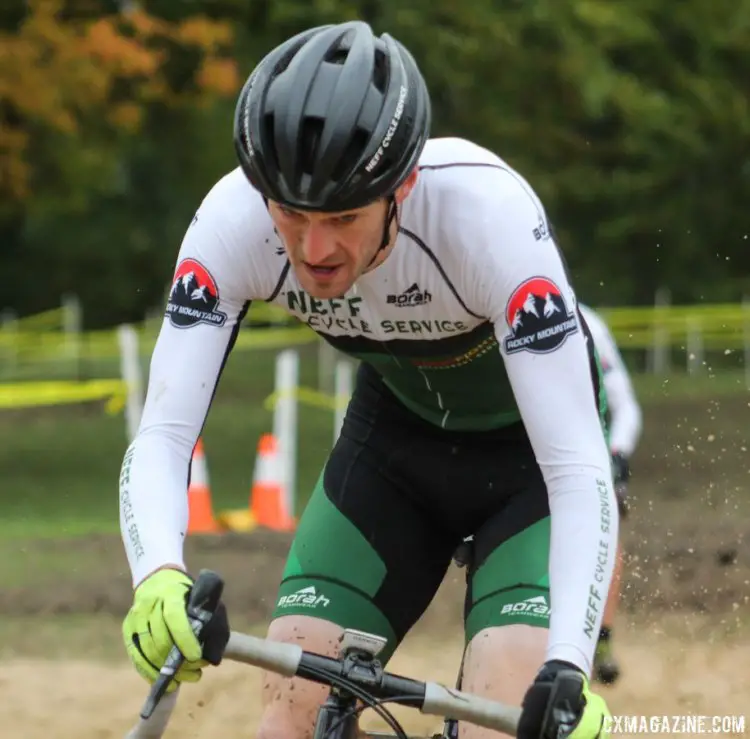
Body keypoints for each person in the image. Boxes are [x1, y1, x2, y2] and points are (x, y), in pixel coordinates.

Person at [119, 21, 618, 739]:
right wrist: (158, 574)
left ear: (403, 186)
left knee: (505, 714)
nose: (313, 248)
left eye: (343, 217)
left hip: (530, 473)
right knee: (288, 716)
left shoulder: (488, 220)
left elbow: (575, 467)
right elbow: (164, 433)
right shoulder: (232, 223)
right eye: (290, 212)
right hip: (394, 451)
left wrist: (569, 663)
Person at [578, 303, 643, 685]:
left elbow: (626, 406)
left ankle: (602, 638)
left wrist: (617, 455)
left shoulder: (590, 324)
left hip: (593, 454)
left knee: (610, 532)